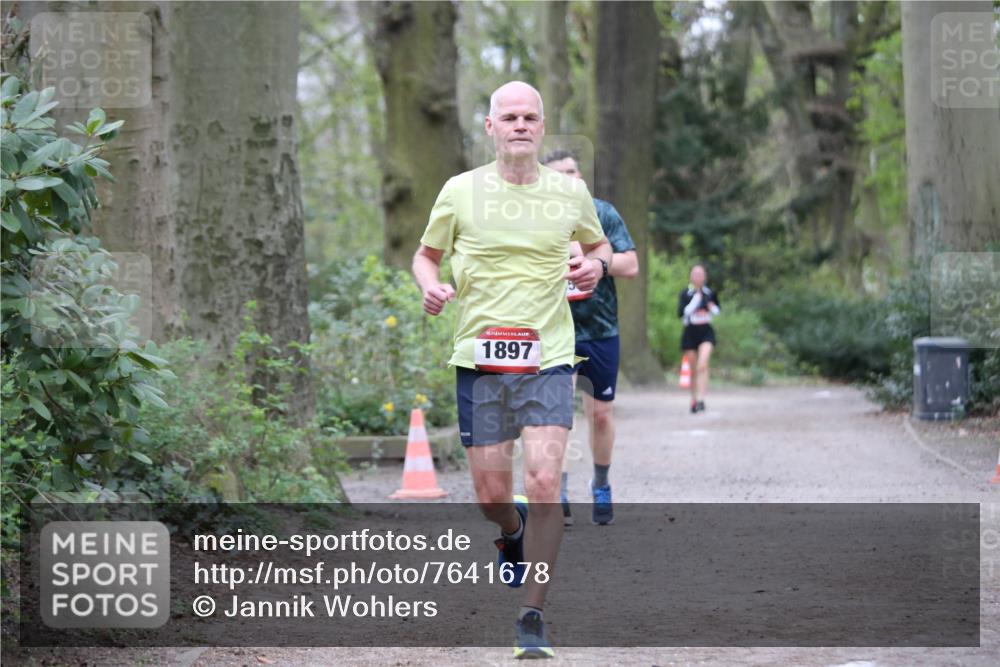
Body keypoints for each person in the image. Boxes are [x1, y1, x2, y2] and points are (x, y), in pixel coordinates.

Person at [412, 81, 611, 659]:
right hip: (480, 358)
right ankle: (512, 533)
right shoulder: (459, 191)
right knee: (490, 494)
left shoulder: (569, 193)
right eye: (509, 116)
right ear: (491, 127)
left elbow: (597, 249)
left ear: (542, 128)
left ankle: (532, 613)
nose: (520, 125)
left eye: (530, 117)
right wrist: (432, 287)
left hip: (548, 356)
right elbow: (425, 256)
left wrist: (593, 267)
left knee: (545, 482)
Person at [541, 149, 638, 527]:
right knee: (557, 414)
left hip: (600, 329)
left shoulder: (602, 213)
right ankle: (558, 490)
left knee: (599, 415)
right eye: (560, 175)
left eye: (573, 171)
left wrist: (594, 262)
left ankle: (601, 483)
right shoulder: (536, 219)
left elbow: (630, 264)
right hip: (553, 329)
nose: (570, 179)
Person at [678, 265, 720, 413]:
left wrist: (710, 305)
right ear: (690, 276)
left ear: (705, 276)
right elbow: (682, 313)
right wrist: (696, 300)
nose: (698, 277)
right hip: (690, 333)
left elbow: (717, 310)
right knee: (694, 369)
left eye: (701, 274)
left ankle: (702, 398)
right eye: (695, 274)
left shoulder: (710, 293)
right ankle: (694, 398)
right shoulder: (685, 294)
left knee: (702, 365)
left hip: (706, 332)